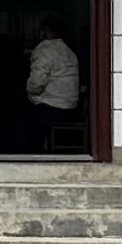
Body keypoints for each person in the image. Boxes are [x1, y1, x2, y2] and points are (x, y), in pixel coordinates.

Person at [22, 14, 86, 151]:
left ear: (46, 31)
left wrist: (27, 90)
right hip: (71, 107)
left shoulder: (44, 50)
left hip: (52, 109)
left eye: (40, 30)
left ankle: (30, 154)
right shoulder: (68, 51)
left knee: (21, 121)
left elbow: (36, 83)